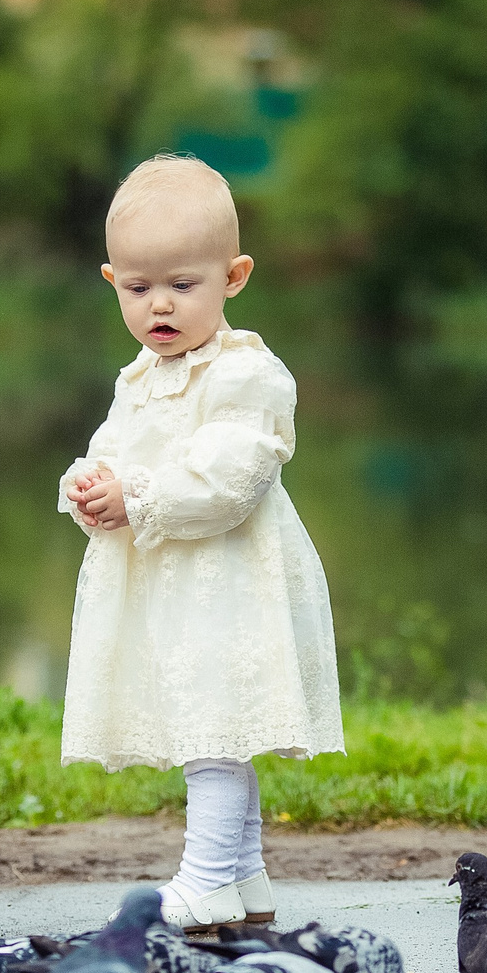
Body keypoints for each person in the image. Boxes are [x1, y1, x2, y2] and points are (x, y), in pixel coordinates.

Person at [58, 155, 342, 932]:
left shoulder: (246, 373)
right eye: (138, 287)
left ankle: (209, 874)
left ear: (234, 276)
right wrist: (92, 489)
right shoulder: (140, 375)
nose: (160, 306)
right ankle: (244, 874)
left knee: (217, 722)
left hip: (227, 581)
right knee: (209, 719)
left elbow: (231, 476)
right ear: (112, 279)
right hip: (173, 582)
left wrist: (141, 497)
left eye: (183, 286)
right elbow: (112, 447)